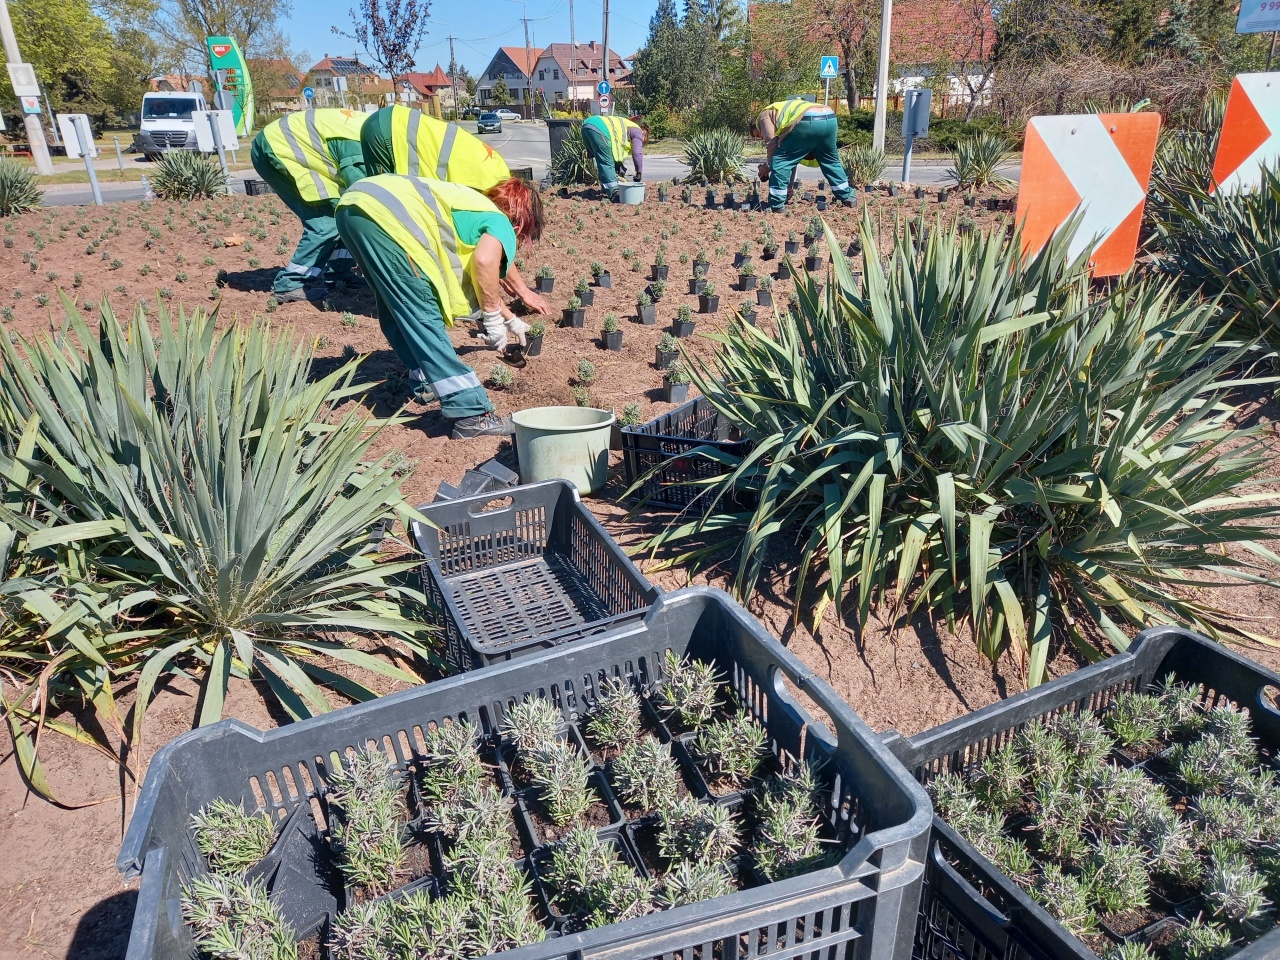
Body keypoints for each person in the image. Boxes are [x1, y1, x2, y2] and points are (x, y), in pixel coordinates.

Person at [335, 175, 545, 439]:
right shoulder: (501, 221)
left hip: (353, 207)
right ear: (522, 224)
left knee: (398, 306)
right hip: (385, 218)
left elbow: (481, 273)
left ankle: (426, 381)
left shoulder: (471, 207)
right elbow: (484, 261)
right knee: (422, 312)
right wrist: (492, 319)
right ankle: (471, 413)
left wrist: (509, 318)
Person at [360, 104, 549, 316]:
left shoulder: (501, 181)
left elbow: (488, 244)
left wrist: (501, 273)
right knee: (392, 216)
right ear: (519, 220)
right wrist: (521, 291)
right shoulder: (490, 194)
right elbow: (490, 242)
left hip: (394, 122)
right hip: (390, 136)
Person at [251, 108, 369, 302]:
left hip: (289, 147)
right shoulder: (358, 144)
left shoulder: (370, 133)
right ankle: (289, 284)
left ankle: (339, 275)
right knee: (328, 221)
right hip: (278, 148)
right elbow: (362, 191)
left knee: (344, 212)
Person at [753, 98, 855, 212]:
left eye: (759, 135)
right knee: (831, 162)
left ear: (756, 126)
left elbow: (772, 146)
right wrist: (789, 186)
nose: (762, 137)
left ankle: (776, 204)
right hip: (829, 118)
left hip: (807, 122)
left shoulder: (763, 116)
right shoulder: (781, 113)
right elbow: (791, 161)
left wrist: (768, 165)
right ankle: (847, 196)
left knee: (780, 162)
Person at [581, 114, 648, 198]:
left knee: (602, 160)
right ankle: (614, 193)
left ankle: (605, 187)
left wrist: (619, 166)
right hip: (600, 129)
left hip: (587, 125)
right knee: (606, 162)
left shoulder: (626, 124)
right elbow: (637, 152)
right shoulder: (638, 132)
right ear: (644, 135)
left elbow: (614, 151)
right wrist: (639, 171)